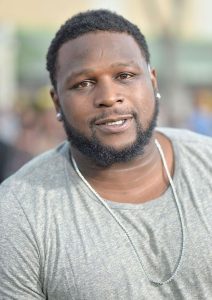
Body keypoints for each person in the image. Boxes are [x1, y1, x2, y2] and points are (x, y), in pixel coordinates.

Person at [0, 9, 212, 300]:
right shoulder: (17, 213)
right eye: (83, 83)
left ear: (153, 82)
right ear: (57, 101)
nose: (109, 97)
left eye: (125, 75)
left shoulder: (207, 163)